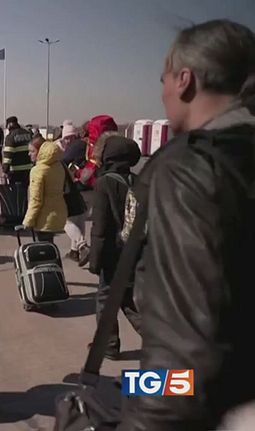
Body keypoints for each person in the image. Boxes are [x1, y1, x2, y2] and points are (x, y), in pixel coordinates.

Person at [119, 19, 255, 431]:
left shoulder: (189, 167)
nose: (161, 92)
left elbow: (186, 358)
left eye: (162, 79)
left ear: (185, 80)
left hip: (222, 405)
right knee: (126, 387)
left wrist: (139, 419)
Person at [88, 135, 142, 359]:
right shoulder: (139, 181)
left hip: (113, 255)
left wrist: (95, 260)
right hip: (135, 251)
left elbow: (100, 227)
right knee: (127, 298)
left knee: (105, 300)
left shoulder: (104, 183)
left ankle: (108, 345)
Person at [22, 141, 67, 243]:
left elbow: (36, 200)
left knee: (43, 247)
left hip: (44, 217)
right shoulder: (58, 166)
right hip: (58, 213)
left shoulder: (38, 171)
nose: (29, 154)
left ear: (41, 152)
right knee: (49, 244)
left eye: (32, 151)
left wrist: (28, 220)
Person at [58, 124, 90, 263]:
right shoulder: (90, 146)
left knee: (66, 220)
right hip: (90, 186)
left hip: (78, 187)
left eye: (68, 138)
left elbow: (63, 162)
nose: (67, 141)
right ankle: (75, 251)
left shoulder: (76, 146)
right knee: (79, 219)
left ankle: (82, 246)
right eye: (65, 138)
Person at [3, 116, 34, 186]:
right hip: (29, 169)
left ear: (9, 125)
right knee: (25, 189)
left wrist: (5, 170)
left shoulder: (10, 137)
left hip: (16, 170)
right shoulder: (28, 134)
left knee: (16, 190)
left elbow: (8, 155)